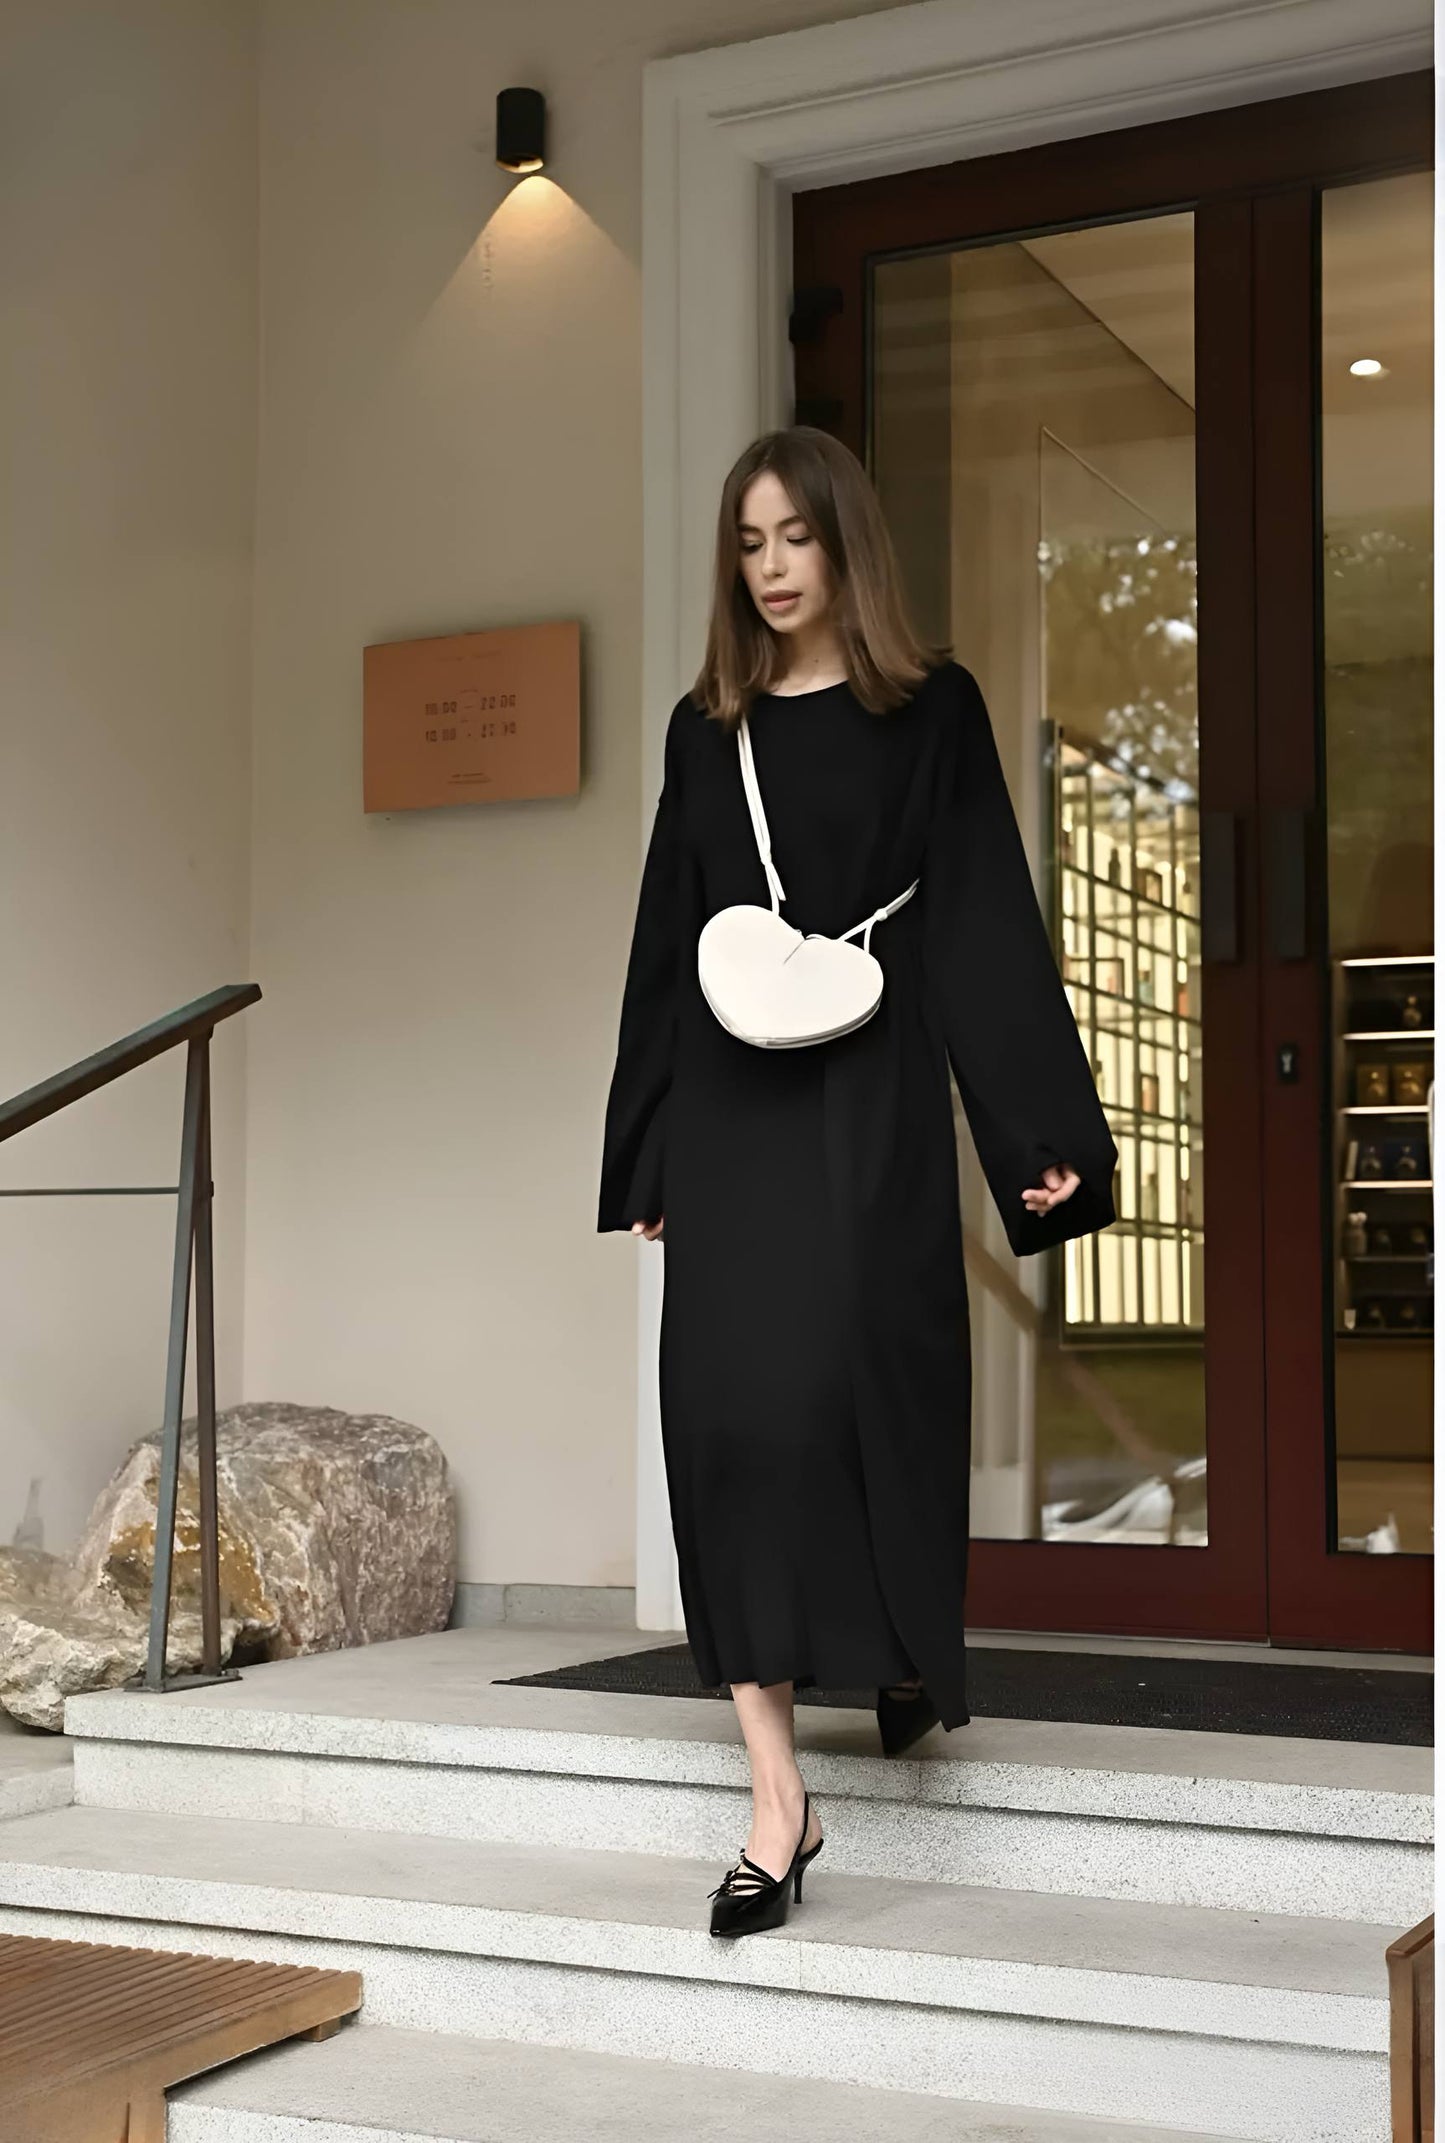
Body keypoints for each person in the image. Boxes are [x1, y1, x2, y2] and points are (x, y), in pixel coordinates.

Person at [597, 426, 1118, 1939]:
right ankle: (777, 1796)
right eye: (746, 544)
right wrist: (645, 1148)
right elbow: (659, 945)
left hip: (869, 1091)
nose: (767, 569)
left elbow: (978, 930)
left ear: (843, 547)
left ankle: (893, 1645)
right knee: (724, 1407)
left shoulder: (928, 710)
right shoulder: (708, 731)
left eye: (792, 540)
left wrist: (1036, 1138)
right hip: (732, 1110)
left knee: (859, 1384)